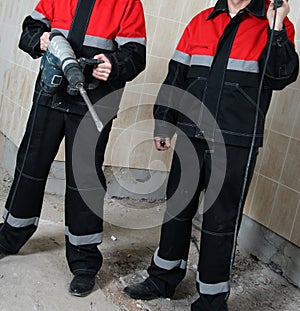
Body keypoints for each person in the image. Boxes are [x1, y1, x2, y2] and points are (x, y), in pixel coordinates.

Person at [123, 0, 298, 310]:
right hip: (191, 135)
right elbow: (176, 75)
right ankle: (163, 277)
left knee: (220, 221)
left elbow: (280, 77)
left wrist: (276, 26)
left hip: (235, 142)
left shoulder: (275, 25)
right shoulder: (201, 21)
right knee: (177, 209)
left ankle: (212, 299)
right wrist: (165, 122)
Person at [0, 0, 146, 297]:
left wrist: (114, 65)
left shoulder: (127, 3)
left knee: (85, 182)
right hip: (50, 94)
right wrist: (40, 40)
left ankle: (84, 262)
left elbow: (136, 55)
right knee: (30, 165)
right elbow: (30, 29)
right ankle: (10, 236)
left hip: (94, 102)